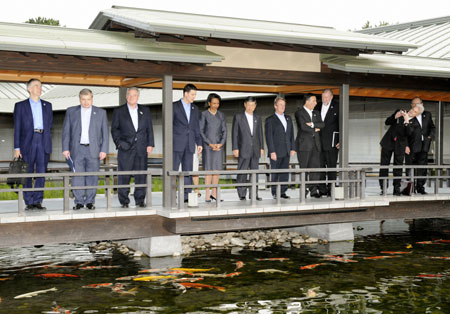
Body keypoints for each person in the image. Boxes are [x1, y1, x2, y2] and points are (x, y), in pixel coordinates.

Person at [62, 89, 109, 210]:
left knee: (92, 176)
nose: (86, 102)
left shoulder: (101, 113)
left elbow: (105, 133)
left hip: (93, 150)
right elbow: (66, 131)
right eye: (83, 99)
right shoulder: (71, 111)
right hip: (76, 149)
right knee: (77, 176)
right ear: (79, 99)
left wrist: (104, 149)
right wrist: (65, 148)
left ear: (92, 99)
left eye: (88, 99)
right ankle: (78, 201)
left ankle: (89, 201)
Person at [111, 87, 154, 208]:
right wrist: (119, 144)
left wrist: (150, 144)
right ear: (126, 96)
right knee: (124, 175)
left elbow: (149, 128)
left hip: (141, 147)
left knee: (141, 175)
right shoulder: (119, 111)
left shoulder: (145, 110)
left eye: (134, 95)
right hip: (125, 148)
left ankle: (140, 200)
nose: (131, 97)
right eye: (129, 95)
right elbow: (114, 130)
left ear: (138, 97)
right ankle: (124, 201)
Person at [13, 78, 53, 210]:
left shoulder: (48, 105)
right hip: (27, 142)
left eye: (41, 86)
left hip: (43, 140)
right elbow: (17, 128)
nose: (40, 88)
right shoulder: (20, 106)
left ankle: (38, 201)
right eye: (36, 86)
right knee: (27, 172)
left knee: (41, 172)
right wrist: (17, 147)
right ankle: (29, 201)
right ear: (29, 89)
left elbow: (50, 125)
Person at [173, 84, 203, 203]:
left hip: (190, 144)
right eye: (192, 94)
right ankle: (171, 195)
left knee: (188, 171)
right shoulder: (174, 106)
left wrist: (199, 143)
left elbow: (196, 127)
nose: (194, 97)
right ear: (185, 93)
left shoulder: (194, 108)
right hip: (176, 143)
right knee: (174, 170)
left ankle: (186, 196)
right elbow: (169, 126)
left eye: (195, 95)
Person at [379, 107, 418, 195]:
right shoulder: (400, 112)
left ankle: (396, 189)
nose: (412, 111)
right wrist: (395, 117)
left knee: (398, 168)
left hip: (400, 146)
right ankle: (383, 188)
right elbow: (387, 122)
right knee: (384, 166)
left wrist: (407, 120)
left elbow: (408, 134)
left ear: (417, 114)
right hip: (388, 143)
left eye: (415, 111)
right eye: (412, 109)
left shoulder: (415, 123)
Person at [232, 96, 264, 201]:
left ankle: (254, 194)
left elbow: (260, 134)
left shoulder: (258, 118)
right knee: (242, 171)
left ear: (255, 106)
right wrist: (235, 148)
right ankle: (241, 193)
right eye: (249, 105)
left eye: (253, 105)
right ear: (245, 105)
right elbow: (235, 133)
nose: (251, 107)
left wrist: (262, 147)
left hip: (255, 148)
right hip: (243, 148)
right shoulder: (238, 117)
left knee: (255, 172)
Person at [265, 96, 295, 199]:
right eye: (280, 105)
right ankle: (274, 192)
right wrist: (272, 151)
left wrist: (292, 148)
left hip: (286, 150)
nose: (283, 107)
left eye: (284, 105)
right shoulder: (270, 120)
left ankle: (282, 192)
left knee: (284, 172)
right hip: (276, 152)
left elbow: (291, 134)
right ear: (275, 106)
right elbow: (269, 137)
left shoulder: (288, 118)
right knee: (275, 172)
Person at [295, 93, 324, 198]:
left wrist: (312, 124)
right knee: (304, 169)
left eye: (316, 101)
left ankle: (313, 190)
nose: (316, 103)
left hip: (316, 145)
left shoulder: (316, 113)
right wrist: (315, 129)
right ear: (307, 101)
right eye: (314, 101)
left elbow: (322, 124)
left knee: (315, 168)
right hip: (304, 145)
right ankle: (303, 191)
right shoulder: (299, 113)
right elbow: (303, 127)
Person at [199, 93, 227, 202]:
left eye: (218, 103)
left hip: (218, 147)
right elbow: (201, 131)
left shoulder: (221, 115)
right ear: (209, 103)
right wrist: (209, 143)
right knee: (208, 170)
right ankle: (207, 195)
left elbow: (224, 130)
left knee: (216, 170)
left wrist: (221, 143)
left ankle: (214, 194)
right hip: (208, 146)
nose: (216, 105)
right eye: (214, 103)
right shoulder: (204, 114)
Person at [405, 98, 435, 194]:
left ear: (422, 104)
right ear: (411, 105)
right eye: (414, 104)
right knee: (410, 167)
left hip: (424, 145)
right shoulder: (409, 115)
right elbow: (404, 133)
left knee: (422, 167)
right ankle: (410, 188)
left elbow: (432, 127)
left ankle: (420, 187)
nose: (416, 106)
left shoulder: (427, 114)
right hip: (412, 146)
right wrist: (406, 145)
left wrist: (430, 136)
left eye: (418, 104)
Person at [315, 89, 339, 197]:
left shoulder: (337, 106)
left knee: (331, 168)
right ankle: (322, 190)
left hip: (332, 143)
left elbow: (341, 124)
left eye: (327, 97)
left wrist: (340, 141)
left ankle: (331, 190)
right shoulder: (317, 106)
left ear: (331, 97)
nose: (325, 99)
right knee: (320, 167)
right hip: (319, 143)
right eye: (323, 97)